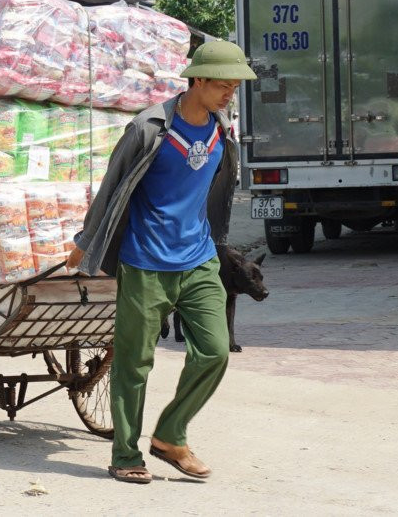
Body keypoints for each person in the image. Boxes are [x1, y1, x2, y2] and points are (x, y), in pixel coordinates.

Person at [66, 40, 257, 484]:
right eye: (223, 86)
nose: (230, 94)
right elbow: (112, 187)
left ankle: (171, 435)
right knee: (134, 361)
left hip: (199, 259)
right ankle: (125, 453)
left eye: (234, 87)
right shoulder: (150, 127)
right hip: (146, 260)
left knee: (214, 351)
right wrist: (85, 243)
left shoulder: (220, 124)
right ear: (197, 81)